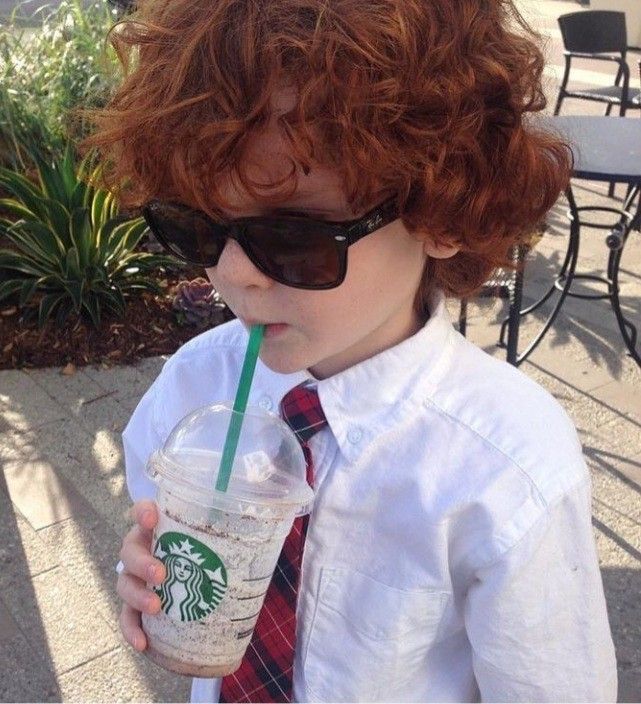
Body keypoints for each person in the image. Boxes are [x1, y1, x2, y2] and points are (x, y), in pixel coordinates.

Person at [85, 0, 618, 701]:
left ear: (444, 212)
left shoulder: (503, 463)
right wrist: (152, 575)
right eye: (198, 226)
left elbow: (549, 685)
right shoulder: (193, 387)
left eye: (295, 237)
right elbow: (167, 539)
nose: (233, 273)